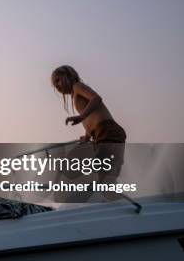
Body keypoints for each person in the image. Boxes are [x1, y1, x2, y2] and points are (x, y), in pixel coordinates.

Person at [51, 65, 127, 197]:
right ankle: (114, 201)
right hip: (100, 135)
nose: (56, 86)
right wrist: (87, 135)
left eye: (58, 80)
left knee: (104, 178)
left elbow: (96, 99)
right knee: (104, 178)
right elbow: (92, 118)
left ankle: (118, 205)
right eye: (54, 84)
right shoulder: (75, 95)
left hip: (107, 132)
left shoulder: (77, 86)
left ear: (69, 75)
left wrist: (81, 117)